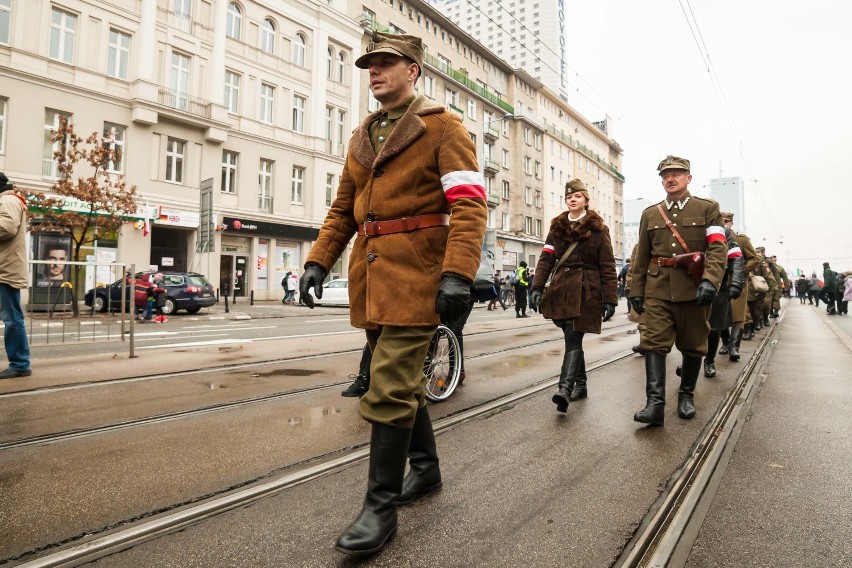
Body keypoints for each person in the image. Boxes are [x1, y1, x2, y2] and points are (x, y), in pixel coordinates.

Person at [297, 31, 487, 556]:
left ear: (414, 71)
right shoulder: (363, 133)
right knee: (398, 379)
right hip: (372, 276)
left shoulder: (442, 127)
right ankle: (424, 469)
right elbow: (343, 210)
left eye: (387, 63)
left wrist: (458, 274)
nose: (375, 71)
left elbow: (470, 206)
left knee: (386, 387)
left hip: (420, 274)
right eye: (370, 64)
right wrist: (318, 260)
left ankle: (379, 508)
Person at [628, 156, 727, 426]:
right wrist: (635, 289)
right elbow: (642, 256)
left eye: (676, 174)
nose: (669, 178)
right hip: (658, 288)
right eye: (665, 175)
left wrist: (710, 280)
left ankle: (686, 395)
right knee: (653, 344)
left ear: (689, 178)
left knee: (694, 345)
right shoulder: (651, 213)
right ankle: (655, 404)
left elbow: (718, 248)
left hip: (694, 288)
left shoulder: (708, 208)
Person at [529, 179, 617, 412]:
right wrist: (536, 287)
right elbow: (546, 259)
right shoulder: (556, 228)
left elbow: (607, 265)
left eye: (577, 196)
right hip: (562, 290)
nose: (572, 199)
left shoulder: (599, 229)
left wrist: (610, 299)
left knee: (573, 337)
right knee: (571, 337)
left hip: (587, 291)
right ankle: (582, 384)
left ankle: (564, 389)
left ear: (586, 200)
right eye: (569, 197)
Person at [0, 173, 32, 379]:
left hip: (5, 271)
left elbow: (6, 228)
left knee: (12, 318)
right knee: (11, 317)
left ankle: (20, 364)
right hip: (4, 268)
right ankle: (19, 362)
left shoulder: (8, 200)